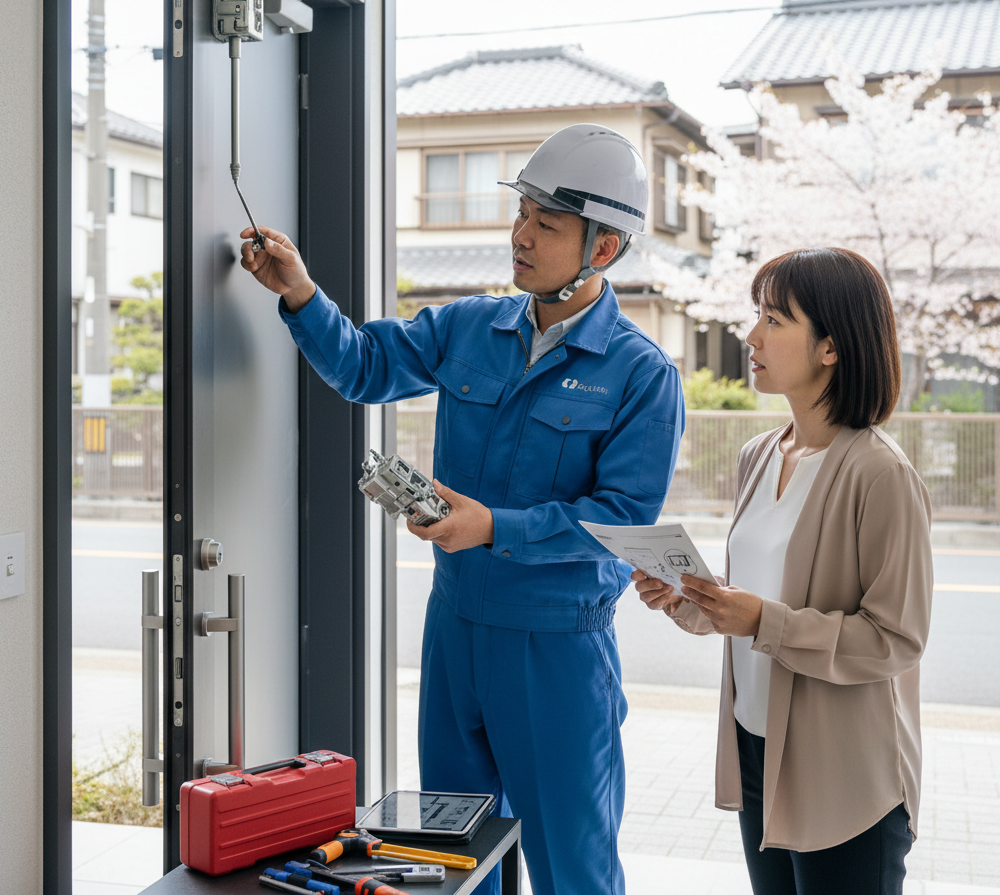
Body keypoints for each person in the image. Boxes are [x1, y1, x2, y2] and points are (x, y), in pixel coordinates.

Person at [240, 124, 686, 895]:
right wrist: (300, 292)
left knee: (571, 870)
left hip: (556, 654)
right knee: (450, 866)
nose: (520, 236)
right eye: (521, 215)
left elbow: (621, 523)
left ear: (603, 249)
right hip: (455, 636)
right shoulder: (471, 326)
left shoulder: (641, 375)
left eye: (547, 226)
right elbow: (364, 366)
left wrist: (492, 527)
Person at [634, 247, 933, 895]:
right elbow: (755, 606)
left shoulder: (881, 474)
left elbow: (895, 640)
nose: (752, 336)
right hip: (757, 751)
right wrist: (687, 599)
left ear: (830, 346)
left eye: (774, 319)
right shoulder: (758, 455)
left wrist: (764, 621)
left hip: (846, 777)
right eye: (756, 316)